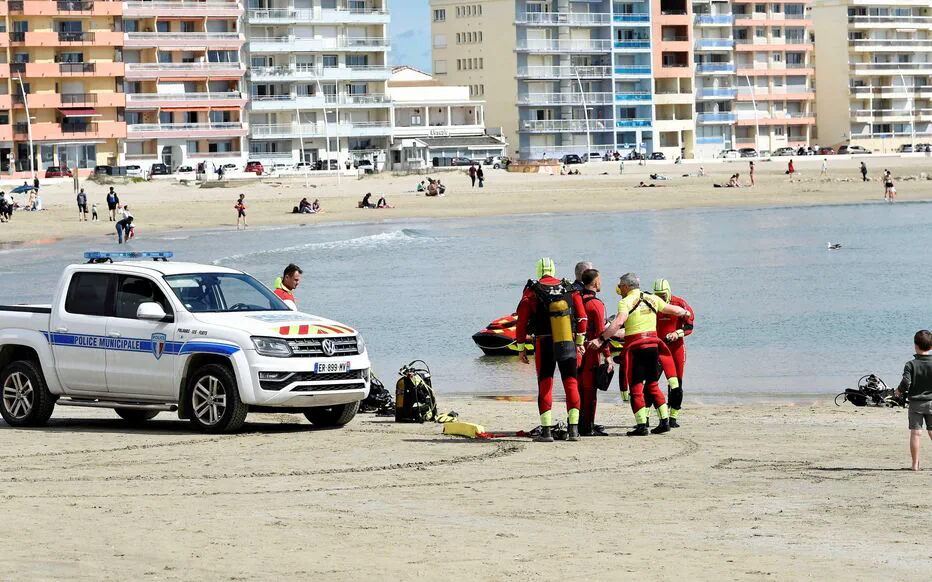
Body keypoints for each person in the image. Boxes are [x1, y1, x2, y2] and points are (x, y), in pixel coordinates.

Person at [586, 273, 691, 436]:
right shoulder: (652, 299)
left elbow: (619, 322)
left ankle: (641, 425)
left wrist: (601, 339)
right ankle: (664, 421)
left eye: (621, 285)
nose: (619, 288)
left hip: (636, 349)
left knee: (635, 387)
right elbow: (673, 310)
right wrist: (684, 312)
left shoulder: (625, 302)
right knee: (653, 385)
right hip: (653, 347)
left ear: (627, 286)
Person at [514, 258, 587, 443]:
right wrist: (579, 342)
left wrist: (521, 348)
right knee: (571, 383)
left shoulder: (532, 290)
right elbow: (582, 318)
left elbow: (521, 321)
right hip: (566, 341)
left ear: (539, 270)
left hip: (544, 342)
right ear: (554, 270)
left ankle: (546, 432)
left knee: (546, 384)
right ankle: (574, 430)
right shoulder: (568, 287)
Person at [653, 278, 694, 427]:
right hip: (658, 348)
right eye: (657, 294)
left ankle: (673, 417)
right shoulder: (652, 303)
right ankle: (649, 417)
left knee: (676, 384)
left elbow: (690, 326)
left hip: (676, 348)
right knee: (651, 383)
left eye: (663, 294)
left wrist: (677, 333)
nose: (660, 297)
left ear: (668, 292)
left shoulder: (679, 303)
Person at [578, 268, 612, 436]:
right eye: (600, 280)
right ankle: (587, 427)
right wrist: (607, 356)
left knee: (577, 388)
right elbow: (601, 335)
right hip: (591, 351)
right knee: (590, 390)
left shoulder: (575, 300)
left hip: (575, 349)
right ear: (595, 282)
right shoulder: (596, 304)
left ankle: (576, 424)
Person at [896, 330, 932, 471]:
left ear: (915, 345)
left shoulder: (910, 364)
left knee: (916, 433)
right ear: (931, 347)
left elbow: (906, 382)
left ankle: (915, 464)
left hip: (916, 403)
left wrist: (899, 391)